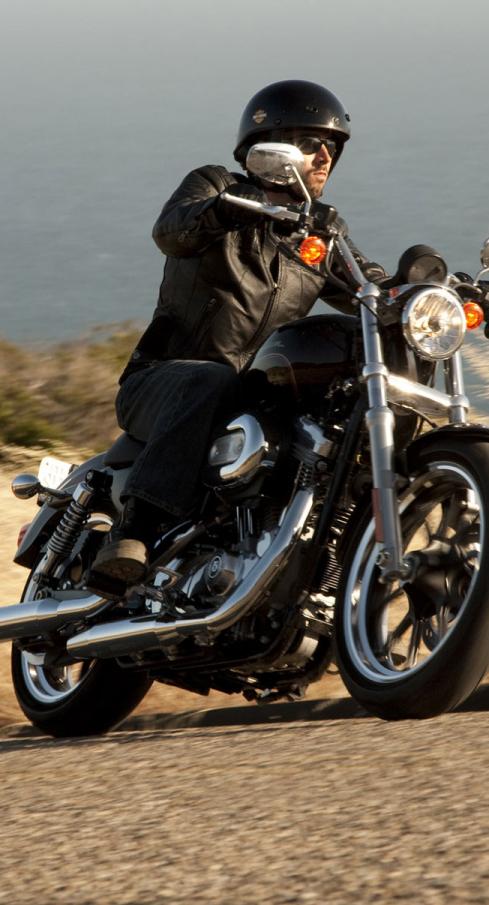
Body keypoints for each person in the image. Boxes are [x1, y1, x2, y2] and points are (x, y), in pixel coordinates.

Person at [89, 80, 388, 597]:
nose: (324, 157)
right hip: (165, 381)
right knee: (214, 379)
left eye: (333, 148)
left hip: (250, 398)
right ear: (270, 144)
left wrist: (427, 290)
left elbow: (370, 288)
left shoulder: (315, 235)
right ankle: (134, 533)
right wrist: (228, 207)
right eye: (312, 143)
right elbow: (172, 232)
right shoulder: (215, 184)